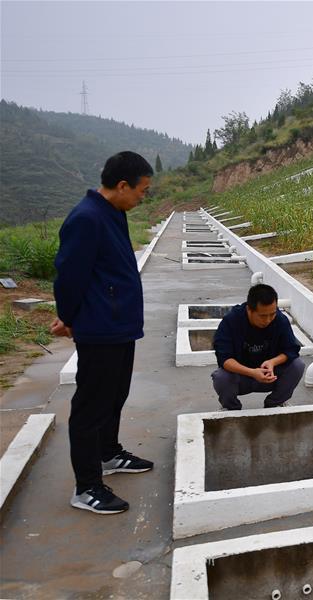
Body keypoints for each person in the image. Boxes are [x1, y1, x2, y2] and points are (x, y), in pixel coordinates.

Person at [51, 151, 155, 515]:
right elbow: (69, 276)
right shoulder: (87, 218)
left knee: (114, 396)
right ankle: (87, 487)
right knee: (91, 407)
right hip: (100, 328)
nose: (143, 197)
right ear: (122, 185)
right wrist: (68, 317)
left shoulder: (113, 213)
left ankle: (109, 453)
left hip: (119, 325)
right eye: (142, 190)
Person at [211, 284, 304, 410]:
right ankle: (231, 408)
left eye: (272, 314)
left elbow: (291, 349)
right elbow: (225, 359)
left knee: (297, 365)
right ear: (249, 309)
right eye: (263, 316)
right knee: (221, 377)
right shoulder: (231, 321)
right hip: (241, 376)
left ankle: (275, 403)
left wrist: (272, 362)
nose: (268, 320)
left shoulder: (280, 320)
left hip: (270, 375)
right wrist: (252, 372)